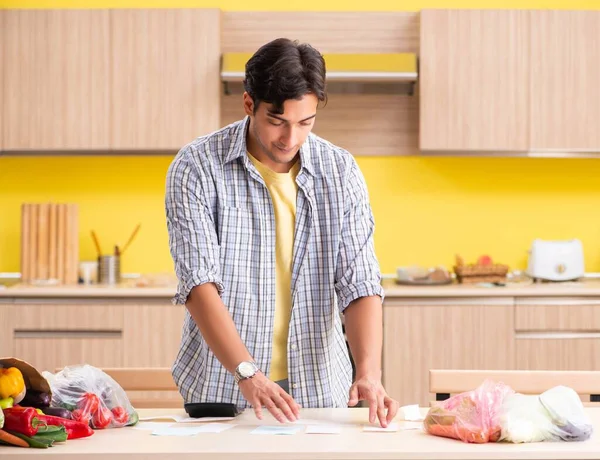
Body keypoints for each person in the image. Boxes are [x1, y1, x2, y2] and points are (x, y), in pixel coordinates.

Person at [165, 37, 399, 428]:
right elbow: (198, 284)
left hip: (320, 390)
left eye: (304, 123)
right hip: (225, 391)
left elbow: (359, 282)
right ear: (248, 104)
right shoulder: (197, 166)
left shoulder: (339, 171)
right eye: (277, 122)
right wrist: (246, 373)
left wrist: (369, 373)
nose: (290, 139)